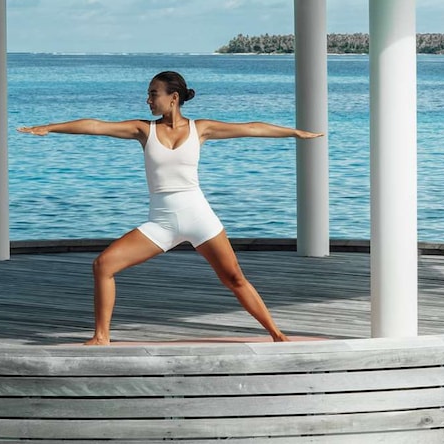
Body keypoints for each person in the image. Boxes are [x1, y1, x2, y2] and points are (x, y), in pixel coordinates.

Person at [17, 71, 324, 345]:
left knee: (234, 279)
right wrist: (51, 127)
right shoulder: (143, 130)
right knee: (103, 266)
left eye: (153, 93)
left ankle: (277, 334)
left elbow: (251, 128)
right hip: (161, 223)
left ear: (173, 98)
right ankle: (101, 337)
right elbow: (96, 126)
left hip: (199, 217)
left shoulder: (200, 129)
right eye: (149, 93)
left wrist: (295, 133)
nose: (148, 99)